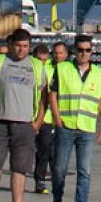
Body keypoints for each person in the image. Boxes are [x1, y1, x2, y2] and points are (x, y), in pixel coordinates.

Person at [0, 28, 48, 202]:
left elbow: (44, 97)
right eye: (18, 46)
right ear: (10, 45)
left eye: (25, 46)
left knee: (20, 168)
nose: (21, 50)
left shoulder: (36, 66)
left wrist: (37, 123)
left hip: (25, 125)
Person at [50, 34, 101, 202]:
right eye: (80, 50)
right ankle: (57, 197)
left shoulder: (99, 73)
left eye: (88, 50)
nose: (84, 53)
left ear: (92, 52)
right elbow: (53, 94)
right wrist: (57, 117)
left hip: (87, 128)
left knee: (84, 171)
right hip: (66, 126)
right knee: (59, 169)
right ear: (74, 51)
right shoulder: (62, 68)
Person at [31, 43, 58, 192]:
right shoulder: (38, 70)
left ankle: (56, 179)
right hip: (43, 116)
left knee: (55, 152)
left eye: (44, 59)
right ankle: (40, 180)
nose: (42, 62)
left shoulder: (56, 69)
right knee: (44, 150)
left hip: (58, 116)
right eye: (39, 59)